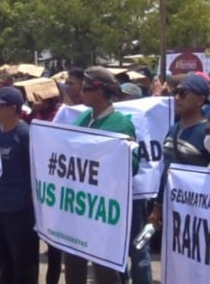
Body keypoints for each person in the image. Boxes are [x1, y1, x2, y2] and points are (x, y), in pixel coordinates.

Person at [66, 67, 143, 284]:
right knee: (72, 261)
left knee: (105, 267)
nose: (81, 93)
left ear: (99, 92)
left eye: (86, 89)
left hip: (103, 208)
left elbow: (132, 166)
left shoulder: (120, 123)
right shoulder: (82, 118)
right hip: (78, 205)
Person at [0, 86, 39, 284]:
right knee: (4, 259)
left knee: (24, 262)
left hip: (21, 211)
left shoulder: (25, 134)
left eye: (0, 106)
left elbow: (36, 170)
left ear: (13, 108)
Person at [149, 74, 210, 230]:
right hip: (172, 211)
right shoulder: (173, 129)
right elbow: (167, 172)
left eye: (183, 94)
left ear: (200, 100)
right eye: (175, 93)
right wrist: (157, 208)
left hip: (198, 214)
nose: (177, 98)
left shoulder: (209, 133)